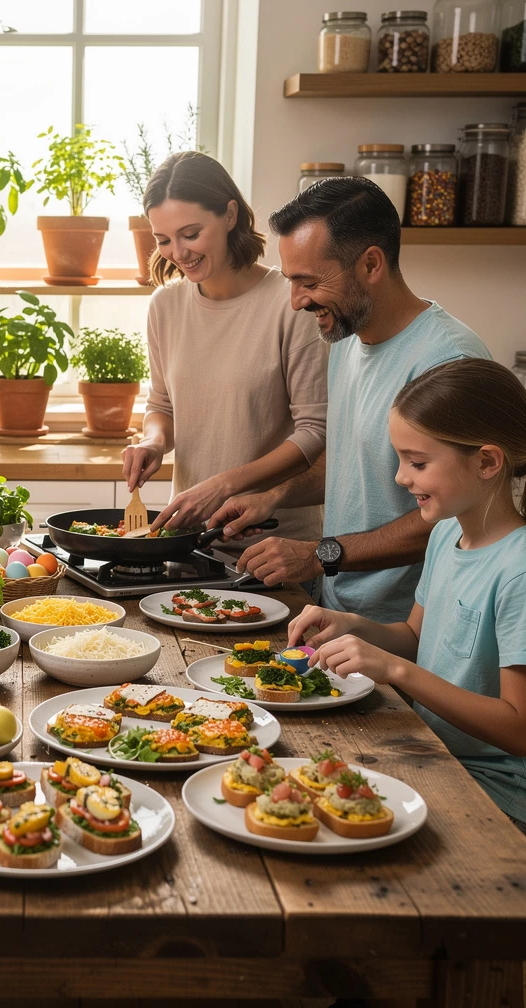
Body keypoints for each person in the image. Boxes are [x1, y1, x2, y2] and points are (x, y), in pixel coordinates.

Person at [211, 177, 490, 622]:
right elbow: (352, 462)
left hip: (406, 629)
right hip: (336, 611)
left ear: (371, 264)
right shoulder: (345, 337)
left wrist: (319, 554)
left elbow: (455, 516)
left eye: (308, 282)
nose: (295, 302)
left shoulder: (447, 361)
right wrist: (275, 496)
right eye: (290, 282)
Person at [288, 359, 526, 829]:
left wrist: (396, 671)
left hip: (495, 792)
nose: (401, 477)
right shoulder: (445, 534)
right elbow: (416, 637)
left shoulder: (517, 569)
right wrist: (354, 627)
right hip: (434, 756)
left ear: (486, 462)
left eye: (417, 463)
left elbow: (518, 728)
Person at [121, 151, 327, 550]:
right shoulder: (165, 305)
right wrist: (153, 443)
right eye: (163, 240)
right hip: (189, 541)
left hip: (276, 549)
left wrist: (224, 485)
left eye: (190, 234)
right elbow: (161, 405)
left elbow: (314, 432)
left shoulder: (290, 304)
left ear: (230, 215)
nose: (178, 253)